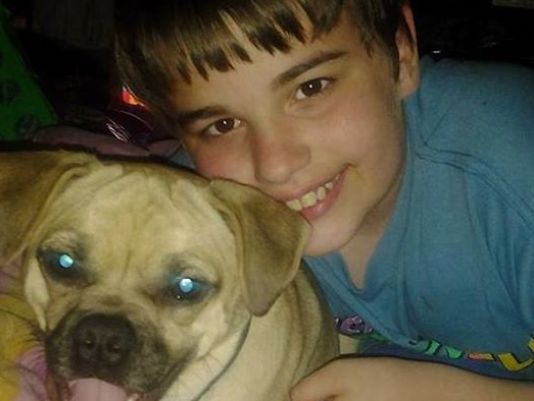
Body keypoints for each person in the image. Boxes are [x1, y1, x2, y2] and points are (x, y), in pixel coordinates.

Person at [116, 0, 534, 399]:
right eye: (223, 125)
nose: (276, 165)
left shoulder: (515, 167)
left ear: (400, 53)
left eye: (310, 88)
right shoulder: (198, 211)